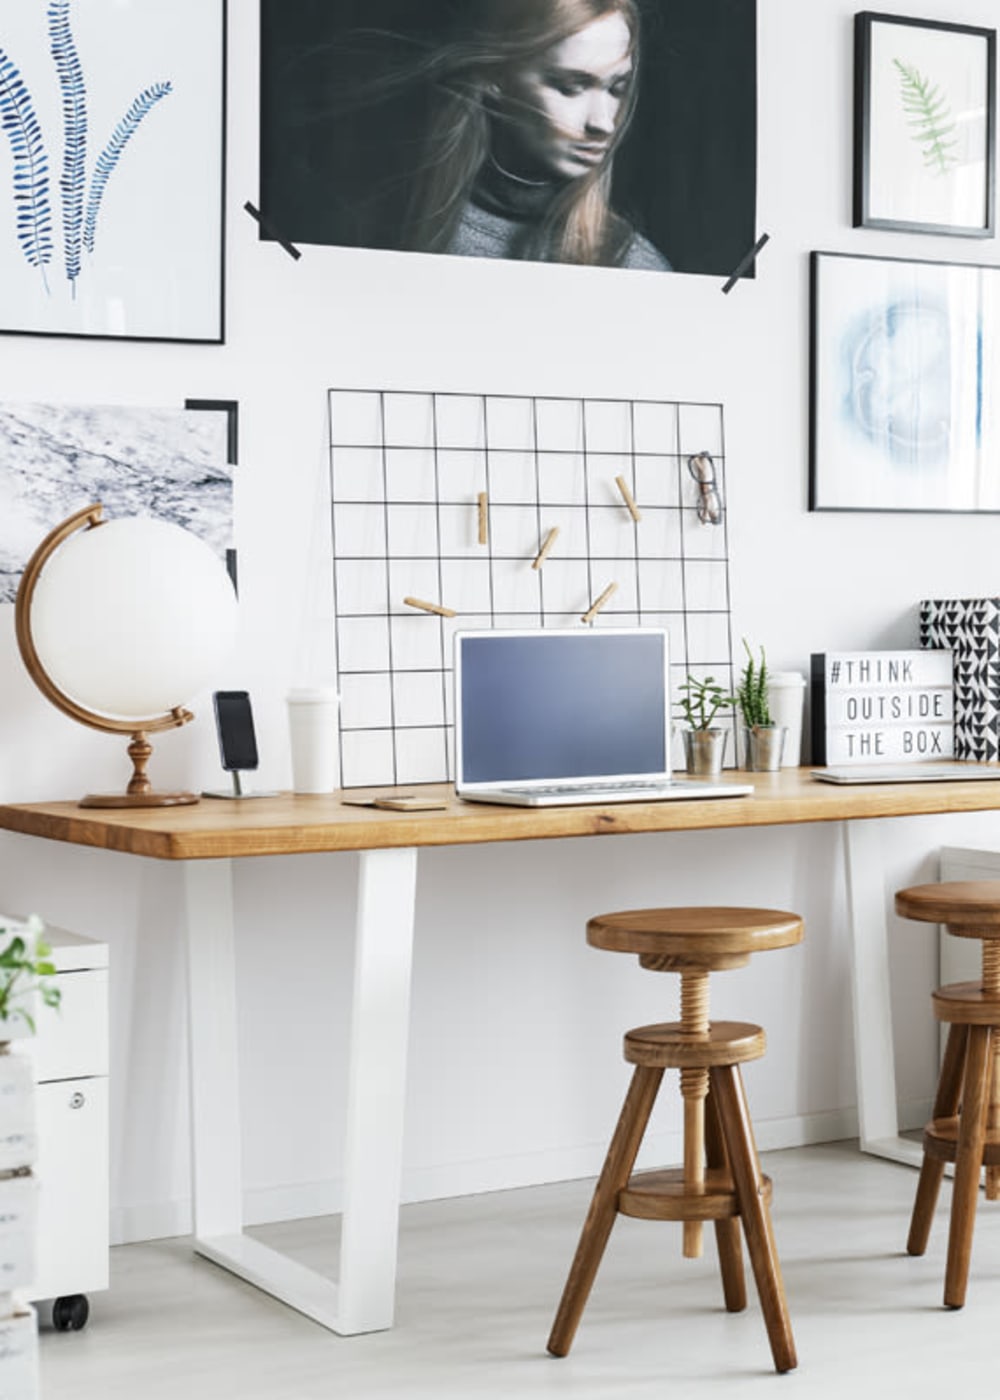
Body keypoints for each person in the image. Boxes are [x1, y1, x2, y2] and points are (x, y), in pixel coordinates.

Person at [400, 0, 672, 269]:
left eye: (616, 89)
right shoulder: (384, 227)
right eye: (570, 88)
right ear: (495, 78)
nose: (604, 123)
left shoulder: (637, 269)